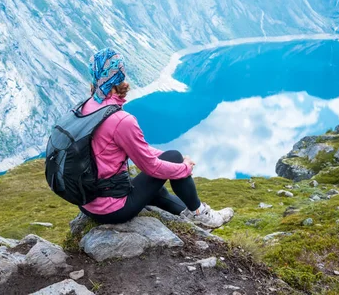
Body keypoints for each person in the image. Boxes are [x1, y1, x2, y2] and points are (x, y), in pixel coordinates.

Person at [79, 48, 234, 228]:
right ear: (119, 77)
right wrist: (183, 167)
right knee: (173, 156)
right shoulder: (121, 120)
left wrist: (170, 158)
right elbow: (150, 166)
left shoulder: (87, 107)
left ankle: (190, 217)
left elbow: (136, 149)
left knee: (156, 190)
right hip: (112, 209)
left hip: (87, 202)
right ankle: (201, 215)